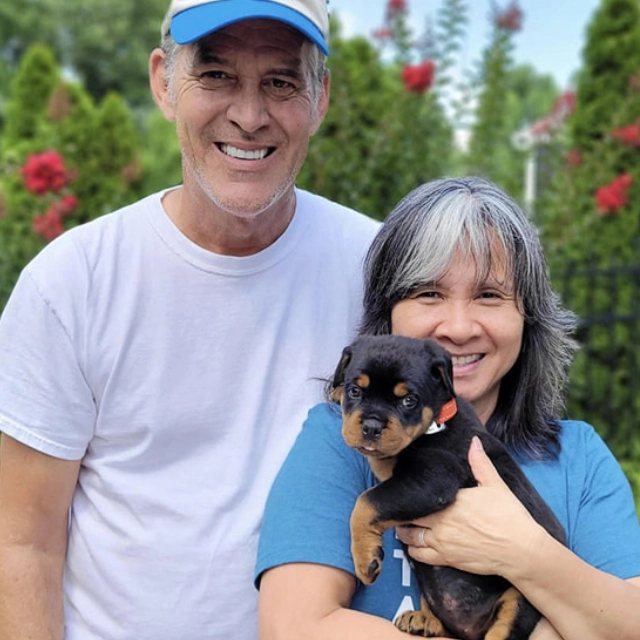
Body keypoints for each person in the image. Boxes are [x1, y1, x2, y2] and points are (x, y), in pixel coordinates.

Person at [0, 1, 380, 639]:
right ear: (163, 83)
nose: (249, 115)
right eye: (217, 76)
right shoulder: (73, 283)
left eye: (281, 82)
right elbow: (21, 543)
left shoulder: (376, 271)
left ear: (320, 99)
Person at [256, 176, 640, 640]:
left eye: (489, 295)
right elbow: (292, 627)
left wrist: (521, 551)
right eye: (428, 293)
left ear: (528, 318)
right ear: (389, 312)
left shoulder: (578, 457)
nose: (458, 328)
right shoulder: (339, 440)